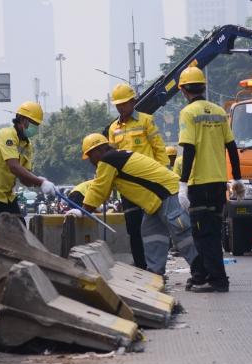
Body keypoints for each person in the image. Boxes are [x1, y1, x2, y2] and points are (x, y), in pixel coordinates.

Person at [74, 133, 203, 278]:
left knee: (182, 235)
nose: (91, 161)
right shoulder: (116, 157)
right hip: (156, 201)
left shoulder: (108, 160)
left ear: (98, 150)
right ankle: (155, 273)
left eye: (90, 156)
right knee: (151, 233)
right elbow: (104, 188)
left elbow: (99, 188)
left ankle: (201, 270)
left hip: (167, 194)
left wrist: (82, 210)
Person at [0, 101, 55, 286]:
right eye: (33, 124)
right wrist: (40, 181)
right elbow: (13, 166)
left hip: (6, 194)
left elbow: (24, 177)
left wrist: (41, 183)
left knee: (19, 229)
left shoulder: (27, 145)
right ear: (22, 120)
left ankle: (14, 273)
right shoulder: (7, 135)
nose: (35, 129)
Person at [176, 66, 241, 293]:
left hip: (199, 183)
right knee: (210, 230)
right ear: (203, 86)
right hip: (218, 183)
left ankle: (217, 279)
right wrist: (238, 179)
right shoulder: (218, 111)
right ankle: (202, 276)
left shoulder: (188, 113)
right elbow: (232, 147)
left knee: (203, 234)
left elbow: (189, 148)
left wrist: (183, 183)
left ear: (183, 90)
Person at [104, 83, 169, 270]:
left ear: (133, 101)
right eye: (117, 104)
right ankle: (141, 267)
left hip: (148, 185)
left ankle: (156, 267)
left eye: (124, 103)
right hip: (127, 188)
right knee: (134, 229)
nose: (120, 107)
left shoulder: (146, 121)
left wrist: (164, 176)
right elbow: (111, 159)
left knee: (153, 229)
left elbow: (159, 149)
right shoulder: (113, 129)